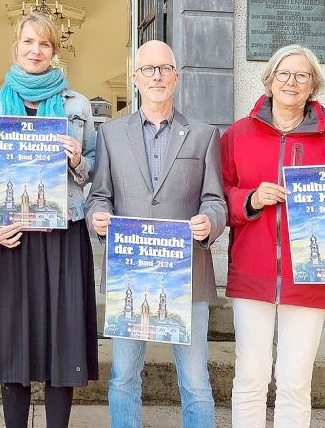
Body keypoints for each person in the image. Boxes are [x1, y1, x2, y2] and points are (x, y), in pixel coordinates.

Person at [220, 44, 325, 427]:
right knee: (250, 377)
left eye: (302, 75)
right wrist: (250, 198)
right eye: (284, 74)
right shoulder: (237, 135)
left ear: (313, 86)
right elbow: (218, 197)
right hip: (253, 272)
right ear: (270, 80)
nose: (292, 82)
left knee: (295, 381)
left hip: (309, 277)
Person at [87, 39, 226, 428]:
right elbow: (99, 197)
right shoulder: (112, 134)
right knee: (124, 377)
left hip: (187, 275)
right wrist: (98, 218)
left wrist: (209, 223)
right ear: (135, 78)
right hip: (129, 275)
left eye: (164, 68)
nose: (157, 76)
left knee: (196, 382)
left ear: (176, 77)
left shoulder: (203, 135)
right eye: (148, 69)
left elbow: (216, 200)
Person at [0, 12, 99, 428]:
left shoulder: (77, 105)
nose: (35, 50)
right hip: (11, 237)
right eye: (28, 42)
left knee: (62, 342)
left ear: (54, 52)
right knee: (14, 344)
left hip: (64, 233)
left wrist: (79, 160)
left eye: (44, 44)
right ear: (16, 46)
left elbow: (98, 171)